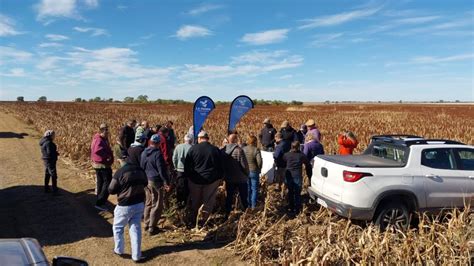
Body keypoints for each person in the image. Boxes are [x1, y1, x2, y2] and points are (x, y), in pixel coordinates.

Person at [108, 153, 148, 263]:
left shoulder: (120, 172)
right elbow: (145, 183)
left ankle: (119, 250)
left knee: (118, 227)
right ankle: (136, 256)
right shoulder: (140, 170)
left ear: (121, 160)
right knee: (135, 229)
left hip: (125, 205)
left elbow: (111, 189)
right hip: (139, 203)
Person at [184, 131, 223, 225]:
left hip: (195, 180)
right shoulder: (215, 149)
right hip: (211, 180)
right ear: (207, 138)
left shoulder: (193, 149)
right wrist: (219, 178)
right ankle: (204, 221)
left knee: (195, 200)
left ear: (199, 138)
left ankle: (194, 220)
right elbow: (220, 165)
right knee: (208, 201)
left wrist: (189, 176)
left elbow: (187, 165)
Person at [140, 134, 171, 236]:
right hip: (156, 181)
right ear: (158, 143)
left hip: (146, 179)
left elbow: (142, 166)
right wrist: (166, 182)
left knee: (148, 202)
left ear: (150, 142)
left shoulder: (145, 152)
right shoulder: (157, 154)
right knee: (157, 204)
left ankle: (146, 223)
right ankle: (152, 227)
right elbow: (161, 170)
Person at [223, 134, 249, 215]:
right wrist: (247, 174)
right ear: (235, 140)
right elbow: (244, 165)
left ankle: (227, 214)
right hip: (240, 178)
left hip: (229, 178)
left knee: (229, 197)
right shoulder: (239, 150)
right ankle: (246, 213)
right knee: (244, 197)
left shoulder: (223, 150)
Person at [283, 141, 312, 214]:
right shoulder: (301, 155)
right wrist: (309, 176)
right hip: (297, 176)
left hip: (289, 176)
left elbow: (282, 162)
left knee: (290, 191)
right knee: (297, 193)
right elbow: (308, 164)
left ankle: (291, 207)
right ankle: (297, 209)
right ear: (299, 147)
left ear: (291, 147)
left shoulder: (286, 155)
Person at [91, 123, 114, 211]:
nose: (108, 132)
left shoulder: (98, 138)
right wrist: (107, 156)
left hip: (98, 164)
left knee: (100, 182)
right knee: (107, 182)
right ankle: (100, 202)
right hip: (102, 165)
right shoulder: (99, 140)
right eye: (106, 131)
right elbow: (97, 150)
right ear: (103, 131)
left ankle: (99, 199)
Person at [172, 133, 193, 209]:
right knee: (187, 188)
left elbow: (174, 158)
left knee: (179, 187)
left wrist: (176, 167)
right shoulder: (192, 148)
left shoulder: (178, 147)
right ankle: (186, 204)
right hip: (188, 171)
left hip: (179, 170)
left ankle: (179, 204)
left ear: (184, 140)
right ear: (191, 140)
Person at [243, 135, 262, 209]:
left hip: (246, 171)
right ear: (254, 141)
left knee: (247, 188)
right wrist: (259, 169)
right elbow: (259, 162)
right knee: (254, 189)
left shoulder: (243, 149)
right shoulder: (256, 150)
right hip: (254, 171)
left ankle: (248, 205)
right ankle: (253, 206)